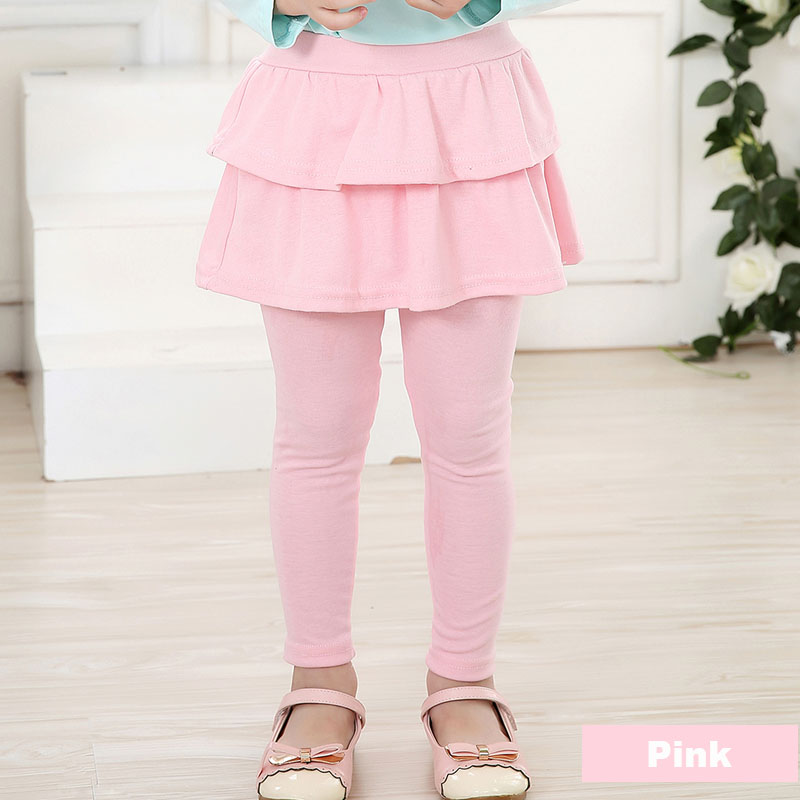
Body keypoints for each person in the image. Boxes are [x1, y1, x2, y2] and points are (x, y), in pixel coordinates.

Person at [195, 0, 586, 797]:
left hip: (469, 115)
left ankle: (464, 681)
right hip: (313, 115)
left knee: (468, 434)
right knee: (316, 432)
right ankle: (319, 683)